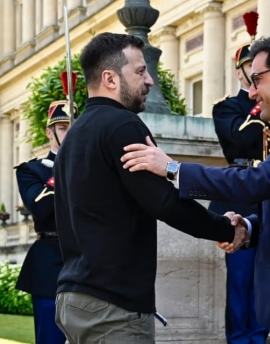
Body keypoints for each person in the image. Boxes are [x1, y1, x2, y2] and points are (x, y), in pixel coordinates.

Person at [121, 34, 270, 344]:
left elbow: (256, 182)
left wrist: (173, 169)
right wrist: (248, 227)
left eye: (257, 79)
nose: (253, 92)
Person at [53, 33, 246, 344]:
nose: (150, 81)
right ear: (110, 79)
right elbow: (165, 202)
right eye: (140, 71)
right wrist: (226, 229)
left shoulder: (73, 137)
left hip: (74, 300)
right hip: (112, 306)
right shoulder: (123, 125)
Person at [210, 11, 270, 344]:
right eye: (251, 66)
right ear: (239, 71)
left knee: (264, 279)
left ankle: (260, 337)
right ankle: (240, 340)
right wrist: (260, 103)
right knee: (241, 279)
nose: (257, 71)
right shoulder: (227, 108)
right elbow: (239, 138)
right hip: (242, 193)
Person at [14, 92, 78, 344]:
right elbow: (40, 207)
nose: (69, 133)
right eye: (63, 128)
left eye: (73, 128)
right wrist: (64, 168)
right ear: (49, 133)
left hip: (88, 259)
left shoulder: (91, 167)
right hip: (50, 262)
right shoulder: (32, 170)